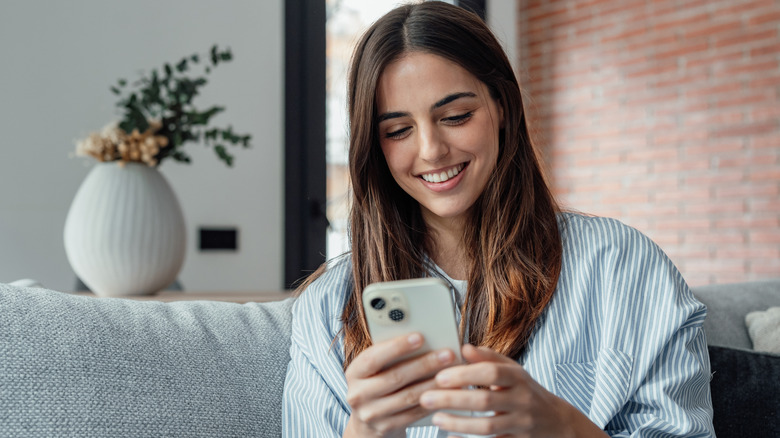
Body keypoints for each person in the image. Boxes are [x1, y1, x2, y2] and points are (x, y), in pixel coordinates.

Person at [282, 2, 715, 437]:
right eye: (398, 131)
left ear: (502, 106)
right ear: (374, 146)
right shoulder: (326, 309)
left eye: (456, 117)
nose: (431, 150)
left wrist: (566, 427)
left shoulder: (623, 266)